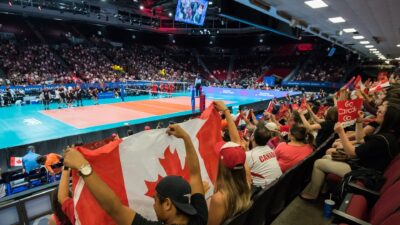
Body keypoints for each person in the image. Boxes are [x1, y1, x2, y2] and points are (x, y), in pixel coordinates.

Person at [63, 123, 207, 225]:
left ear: (168, 204)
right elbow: (195, 174)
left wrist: (84, 167)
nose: (154, 204)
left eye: (155, 199)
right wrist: (186, 138)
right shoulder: (199, 217)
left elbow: (114, 207)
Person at [300, 102, 400, 200]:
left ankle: (313, 194)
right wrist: (359, 122)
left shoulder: (382, 139)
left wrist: (341, 132)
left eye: (380, 112)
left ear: (388, 118)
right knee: (327, 157)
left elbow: (352, 153)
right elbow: (360, 138)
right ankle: (322, 189)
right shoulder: (388, 134)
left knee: (318, 163)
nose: (377, 111)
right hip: (364, 167)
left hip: (362, 172)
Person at [207, 101, 251, 225]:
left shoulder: (219, 199)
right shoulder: (246, 179)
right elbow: (236, 142)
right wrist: (226, 111)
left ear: (223, 165)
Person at [246, 123, 282, 188]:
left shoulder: (249, 155)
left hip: (263, 191)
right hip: (278, 186)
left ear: (253, 137)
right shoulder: (271, 150)